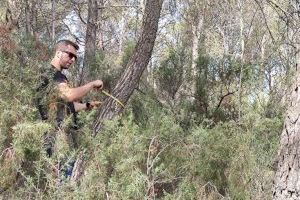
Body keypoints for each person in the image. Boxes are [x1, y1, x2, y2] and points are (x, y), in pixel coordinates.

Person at [36, 39, 103, 157]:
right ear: (58, 53)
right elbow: (68, 95)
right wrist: (92, 84)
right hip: (53, 136)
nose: (72, 60)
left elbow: (66, 106)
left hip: (55, 135)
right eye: (70, 55)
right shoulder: (52, 74)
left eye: (75, 58)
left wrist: (87, 105)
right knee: (61, 172)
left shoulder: (56, 75)